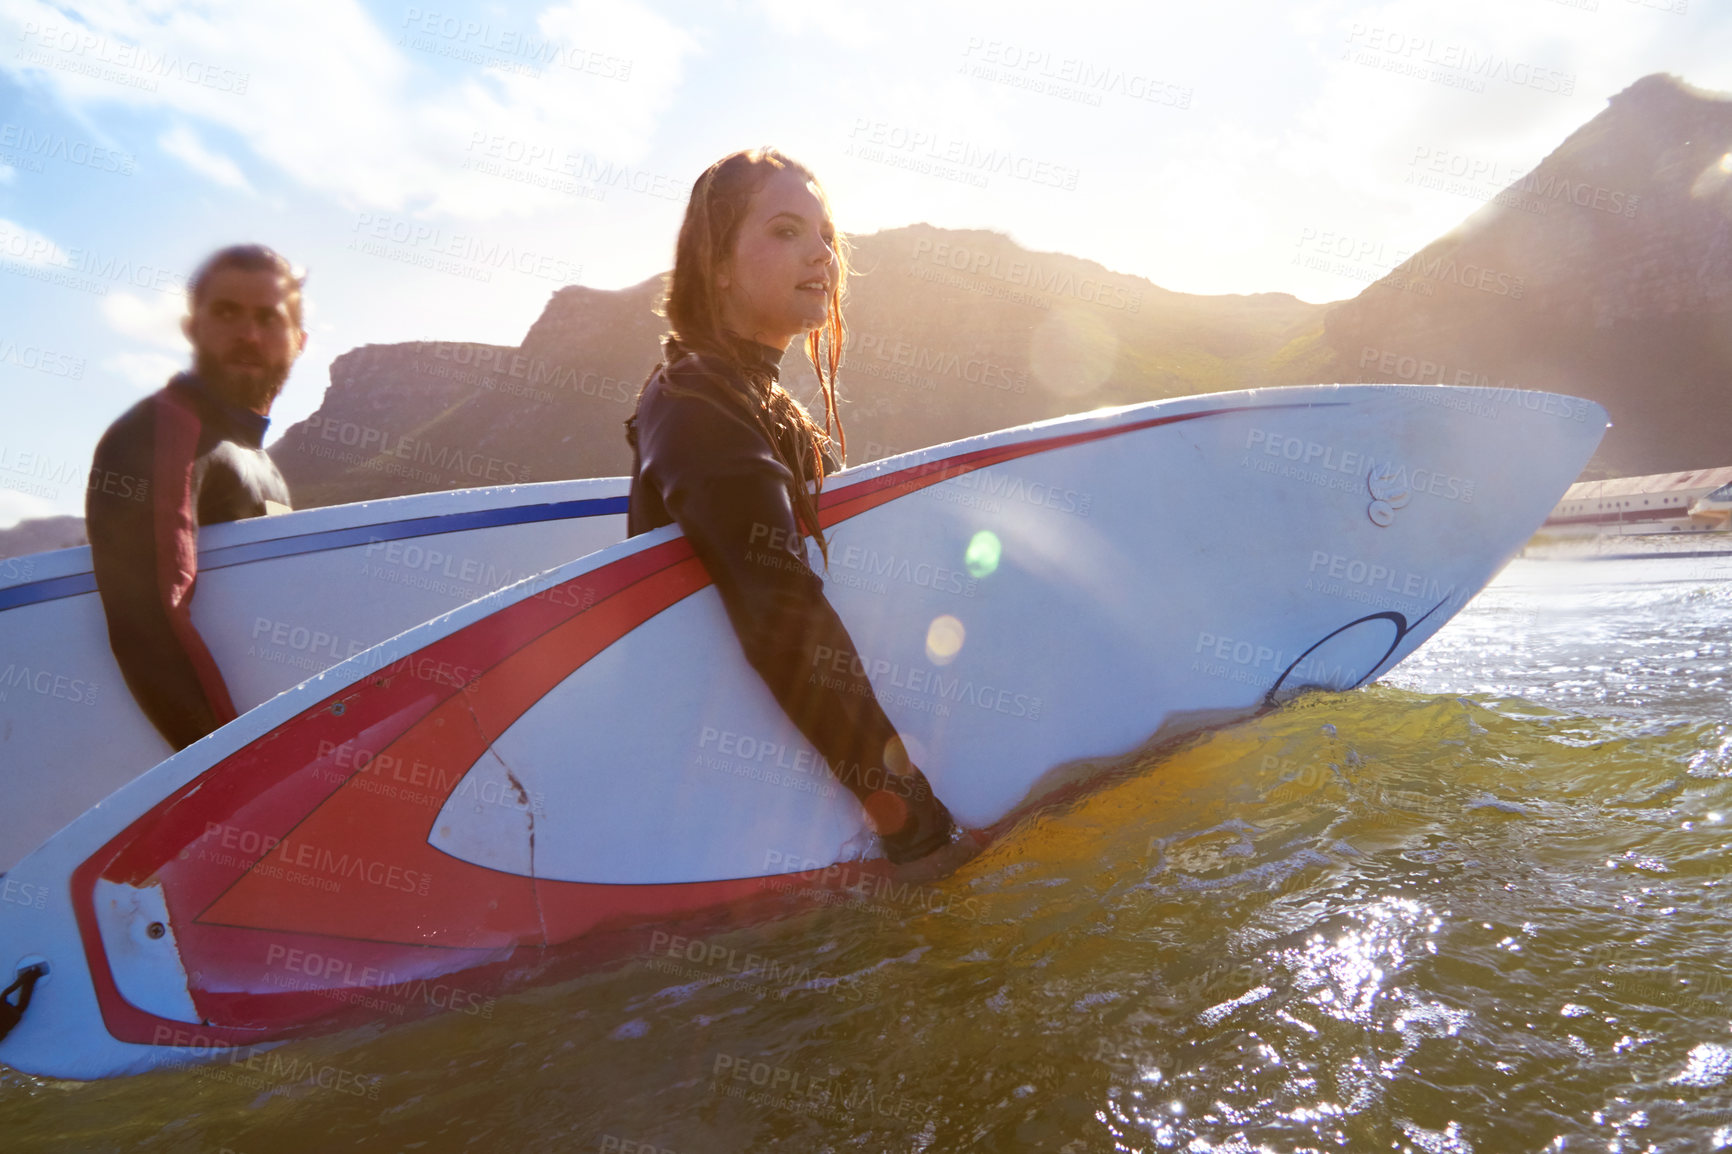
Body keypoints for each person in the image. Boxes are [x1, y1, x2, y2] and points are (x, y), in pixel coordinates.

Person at [626, 148, 973, 872]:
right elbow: (780, 613)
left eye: (824, 235)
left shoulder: (752, 395)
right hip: (718, 824)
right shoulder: (695, 404)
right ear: (717, 262)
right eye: (786, 232)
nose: (821, 255)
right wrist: (916, 829)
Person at [86, 244, 306, 751]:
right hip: (199, 777)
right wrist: (233, 772)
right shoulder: (165, 429)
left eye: (268, 318)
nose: (248, 334)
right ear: (193, 327)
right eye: (227, 312)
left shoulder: (259, 462)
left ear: (298, 340)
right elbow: (148, 619)